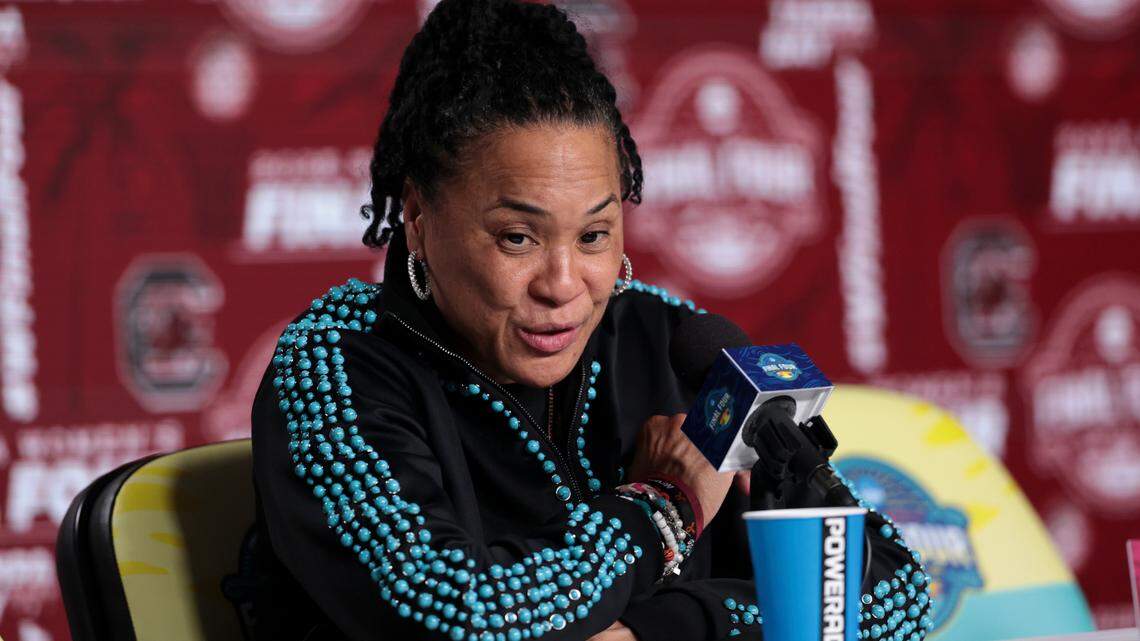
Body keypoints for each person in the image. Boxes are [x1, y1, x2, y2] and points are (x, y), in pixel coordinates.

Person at [248, 1, 933, 640]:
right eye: (518, 237)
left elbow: (892, 594)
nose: (564, 284)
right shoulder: (334, 366)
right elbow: (454, 610)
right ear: (420, 219)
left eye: (595, 235)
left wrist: (653, 629)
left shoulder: (674, 345)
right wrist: (664, 505)